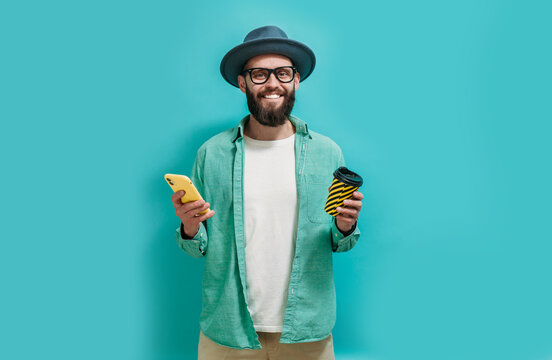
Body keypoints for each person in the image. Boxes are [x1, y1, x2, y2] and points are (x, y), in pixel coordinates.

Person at [171, 25, 364, 360]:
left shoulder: (328, 153)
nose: (273, 83)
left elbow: (340, 242)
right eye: (259, 74)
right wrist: (190, 227)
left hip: (307, 332)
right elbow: (197, 247)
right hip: (227, 331)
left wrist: (345, 226)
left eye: (283, 73)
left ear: (296, 80)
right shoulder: (211, 153)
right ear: (243, 82)